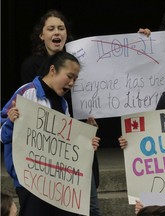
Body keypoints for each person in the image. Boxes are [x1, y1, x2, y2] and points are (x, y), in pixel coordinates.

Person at [17, 9, 103, 215]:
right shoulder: (31, 67)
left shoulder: (80, 62)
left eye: (61, 28)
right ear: (42, 35)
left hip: (78, 142)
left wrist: (145, 41)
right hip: (48, 149)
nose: (57, 32)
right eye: (51, 28)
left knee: (89, 205)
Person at [1, 51, 100, 216]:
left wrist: (87, 144)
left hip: (58, 181)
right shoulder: (27, 93)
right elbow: (3, 134)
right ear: (53, 70)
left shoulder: (63, 105)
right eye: (69, 76)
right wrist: (11, 121)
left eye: (75, 79)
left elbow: (66, 144)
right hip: (30, 180)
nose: (71, 83)